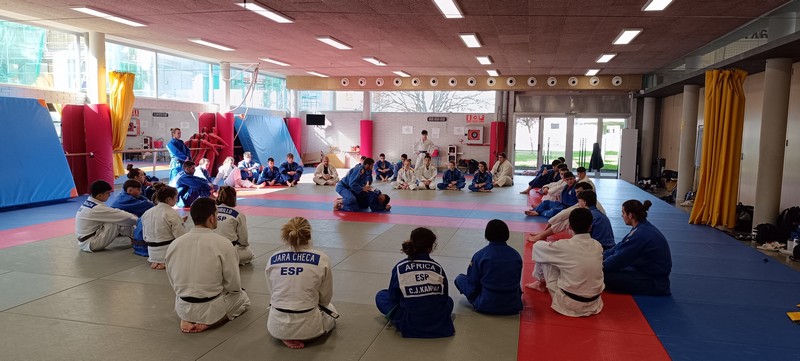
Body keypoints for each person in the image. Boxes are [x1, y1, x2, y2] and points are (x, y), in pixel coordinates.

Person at [165, 198, 251, 333]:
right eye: (216, 214)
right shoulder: (223, 243)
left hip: (183, 306)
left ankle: (188, 318)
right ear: (211, 218)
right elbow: (233, 283)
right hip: (210, 307)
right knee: (242, 297)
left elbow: (172, 278)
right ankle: (212, 322)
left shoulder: (175, 244)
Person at [265, 217, 337, 349]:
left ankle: (287, 334)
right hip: (310, 330)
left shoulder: (273, 258)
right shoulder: (322, 259)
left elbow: (273, 293)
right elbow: (325, 299)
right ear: (309, 236)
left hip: (277, 328)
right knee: (330, 308)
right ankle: (302, 334)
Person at [375, 227, 455, 338]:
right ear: (430, 248)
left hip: (410, 324)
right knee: (449, 301)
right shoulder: (438, 268)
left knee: (381, 295)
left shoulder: (399, 268)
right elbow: (444, 297)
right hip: (439, 323)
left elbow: (393, 297)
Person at [528, 208, 604, 317]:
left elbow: (537, 247)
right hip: (594, 303)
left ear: (570, 227)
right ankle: (540, 283)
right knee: (561, 259)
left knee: (545, 255)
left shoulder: (563, 246)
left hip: (568, 303)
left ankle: (540, 283)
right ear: (590, 227)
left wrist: (543, 241)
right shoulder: (597, 245)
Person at [603, 200, 672, 296]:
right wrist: (601, 255)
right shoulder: (642, 227)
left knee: (603, 276)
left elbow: (619, 258)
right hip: (646, 273)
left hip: (653, 282)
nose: (622, 216)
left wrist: (598, 267)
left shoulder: (641, 234)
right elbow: (620, 246)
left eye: (623, 212)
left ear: (630, 215)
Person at [455, 219, 523, 315]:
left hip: (486, 304)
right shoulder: (516, 255)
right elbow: (516, 279)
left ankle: (485, 299)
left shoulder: (480, 255)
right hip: (513, 305)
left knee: (460, 278)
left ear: (487, 235)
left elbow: (473, 280)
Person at [527, 182, 607, 243]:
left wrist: (550, 222)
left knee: (565, 221)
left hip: (592, 240)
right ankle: (542, 234)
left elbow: (565, 213)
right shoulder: (593, 202)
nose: (577, 195)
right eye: (576, 192)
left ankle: (541, 235)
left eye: (579, 192)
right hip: (594, 237)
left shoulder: (587, 203)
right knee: (560, 215)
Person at [75, 180, 138, 252]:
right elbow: (122, 216)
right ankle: (138, 239)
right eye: (107, 193)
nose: (109, 195)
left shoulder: (89, 203)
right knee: (118, 221)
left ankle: (135, 237)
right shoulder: (97, 208)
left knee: (118, 218)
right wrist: (139, 221)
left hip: (85, 241)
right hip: (91, 243)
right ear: (99, 195)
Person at [141, 185, 187, 270]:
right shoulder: (171, 213)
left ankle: (157, 261)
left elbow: (145, 236)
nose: (177, 200)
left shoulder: (147, 213)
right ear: (169, 199)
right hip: (167, 250)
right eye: (176, 197)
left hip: (151, 251)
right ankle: (165, 261)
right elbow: (180, 236)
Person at [108, 180, 155, 256]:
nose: (140, 192)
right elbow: (149, 205)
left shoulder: (123, 195)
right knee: (147, 217)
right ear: (130, 190)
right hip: (117, 227)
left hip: (119, 225)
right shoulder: (127, 200)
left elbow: (144, 200)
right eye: (138, 190)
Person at [215, 186, 254, 266]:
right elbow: (243, 239)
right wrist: (243, 246)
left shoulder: (211, 210)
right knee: (249, 254)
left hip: (209, 247)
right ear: (234, 198)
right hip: (227, 248)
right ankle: (226, 260)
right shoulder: (238, 214)